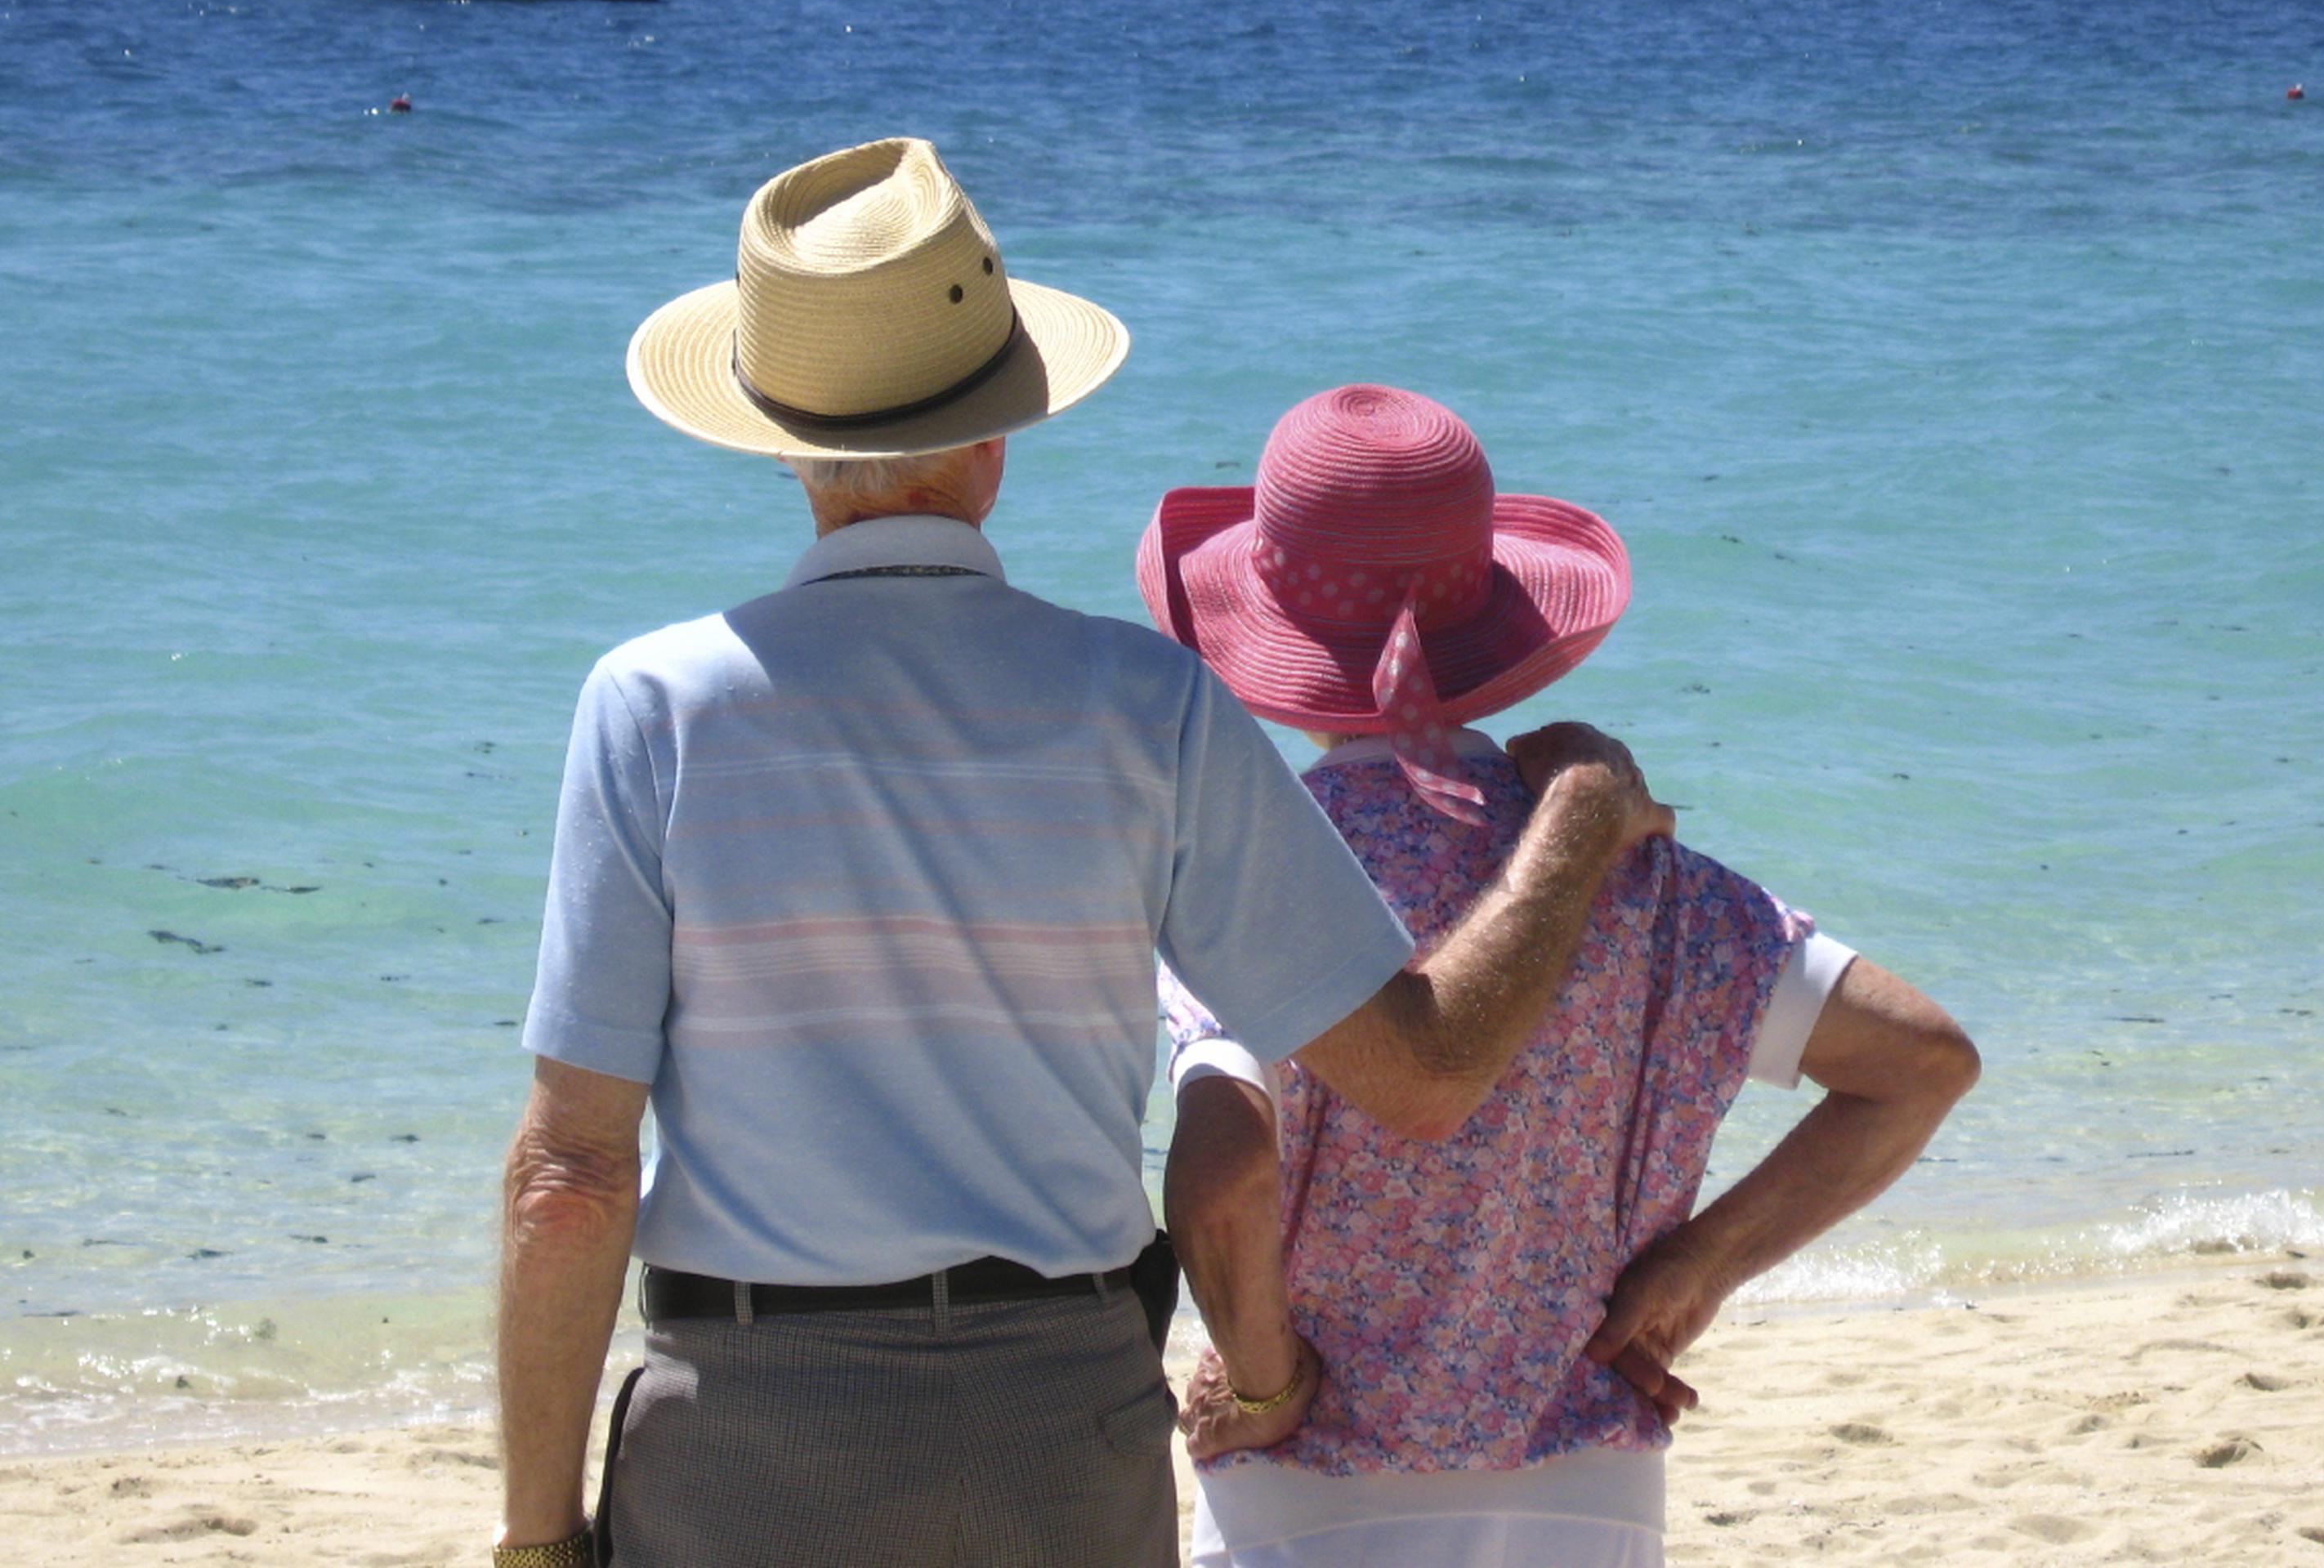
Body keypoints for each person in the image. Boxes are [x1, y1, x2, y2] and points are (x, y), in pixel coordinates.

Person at [492, 139, 1674, 1568]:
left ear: (788, 449)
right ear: (996, 443)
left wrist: (539, 1540)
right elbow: (1419, 1074)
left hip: (751, 1428)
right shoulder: (1145, 703)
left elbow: (570, 1180)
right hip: (1062, 1428)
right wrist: (1579, 819)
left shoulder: (656, 706)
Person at [1151, 384, 1981, 1568]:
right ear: (1489, 611)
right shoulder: (1652, 885)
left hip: (1312, 1490)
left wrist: (1269, 1381)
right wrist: (1701, 1265)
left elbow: (1228, 1172)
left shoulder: (1256, 874)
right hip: (1587, 1483)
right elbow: (1923, 1064)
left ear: (1271, 621)